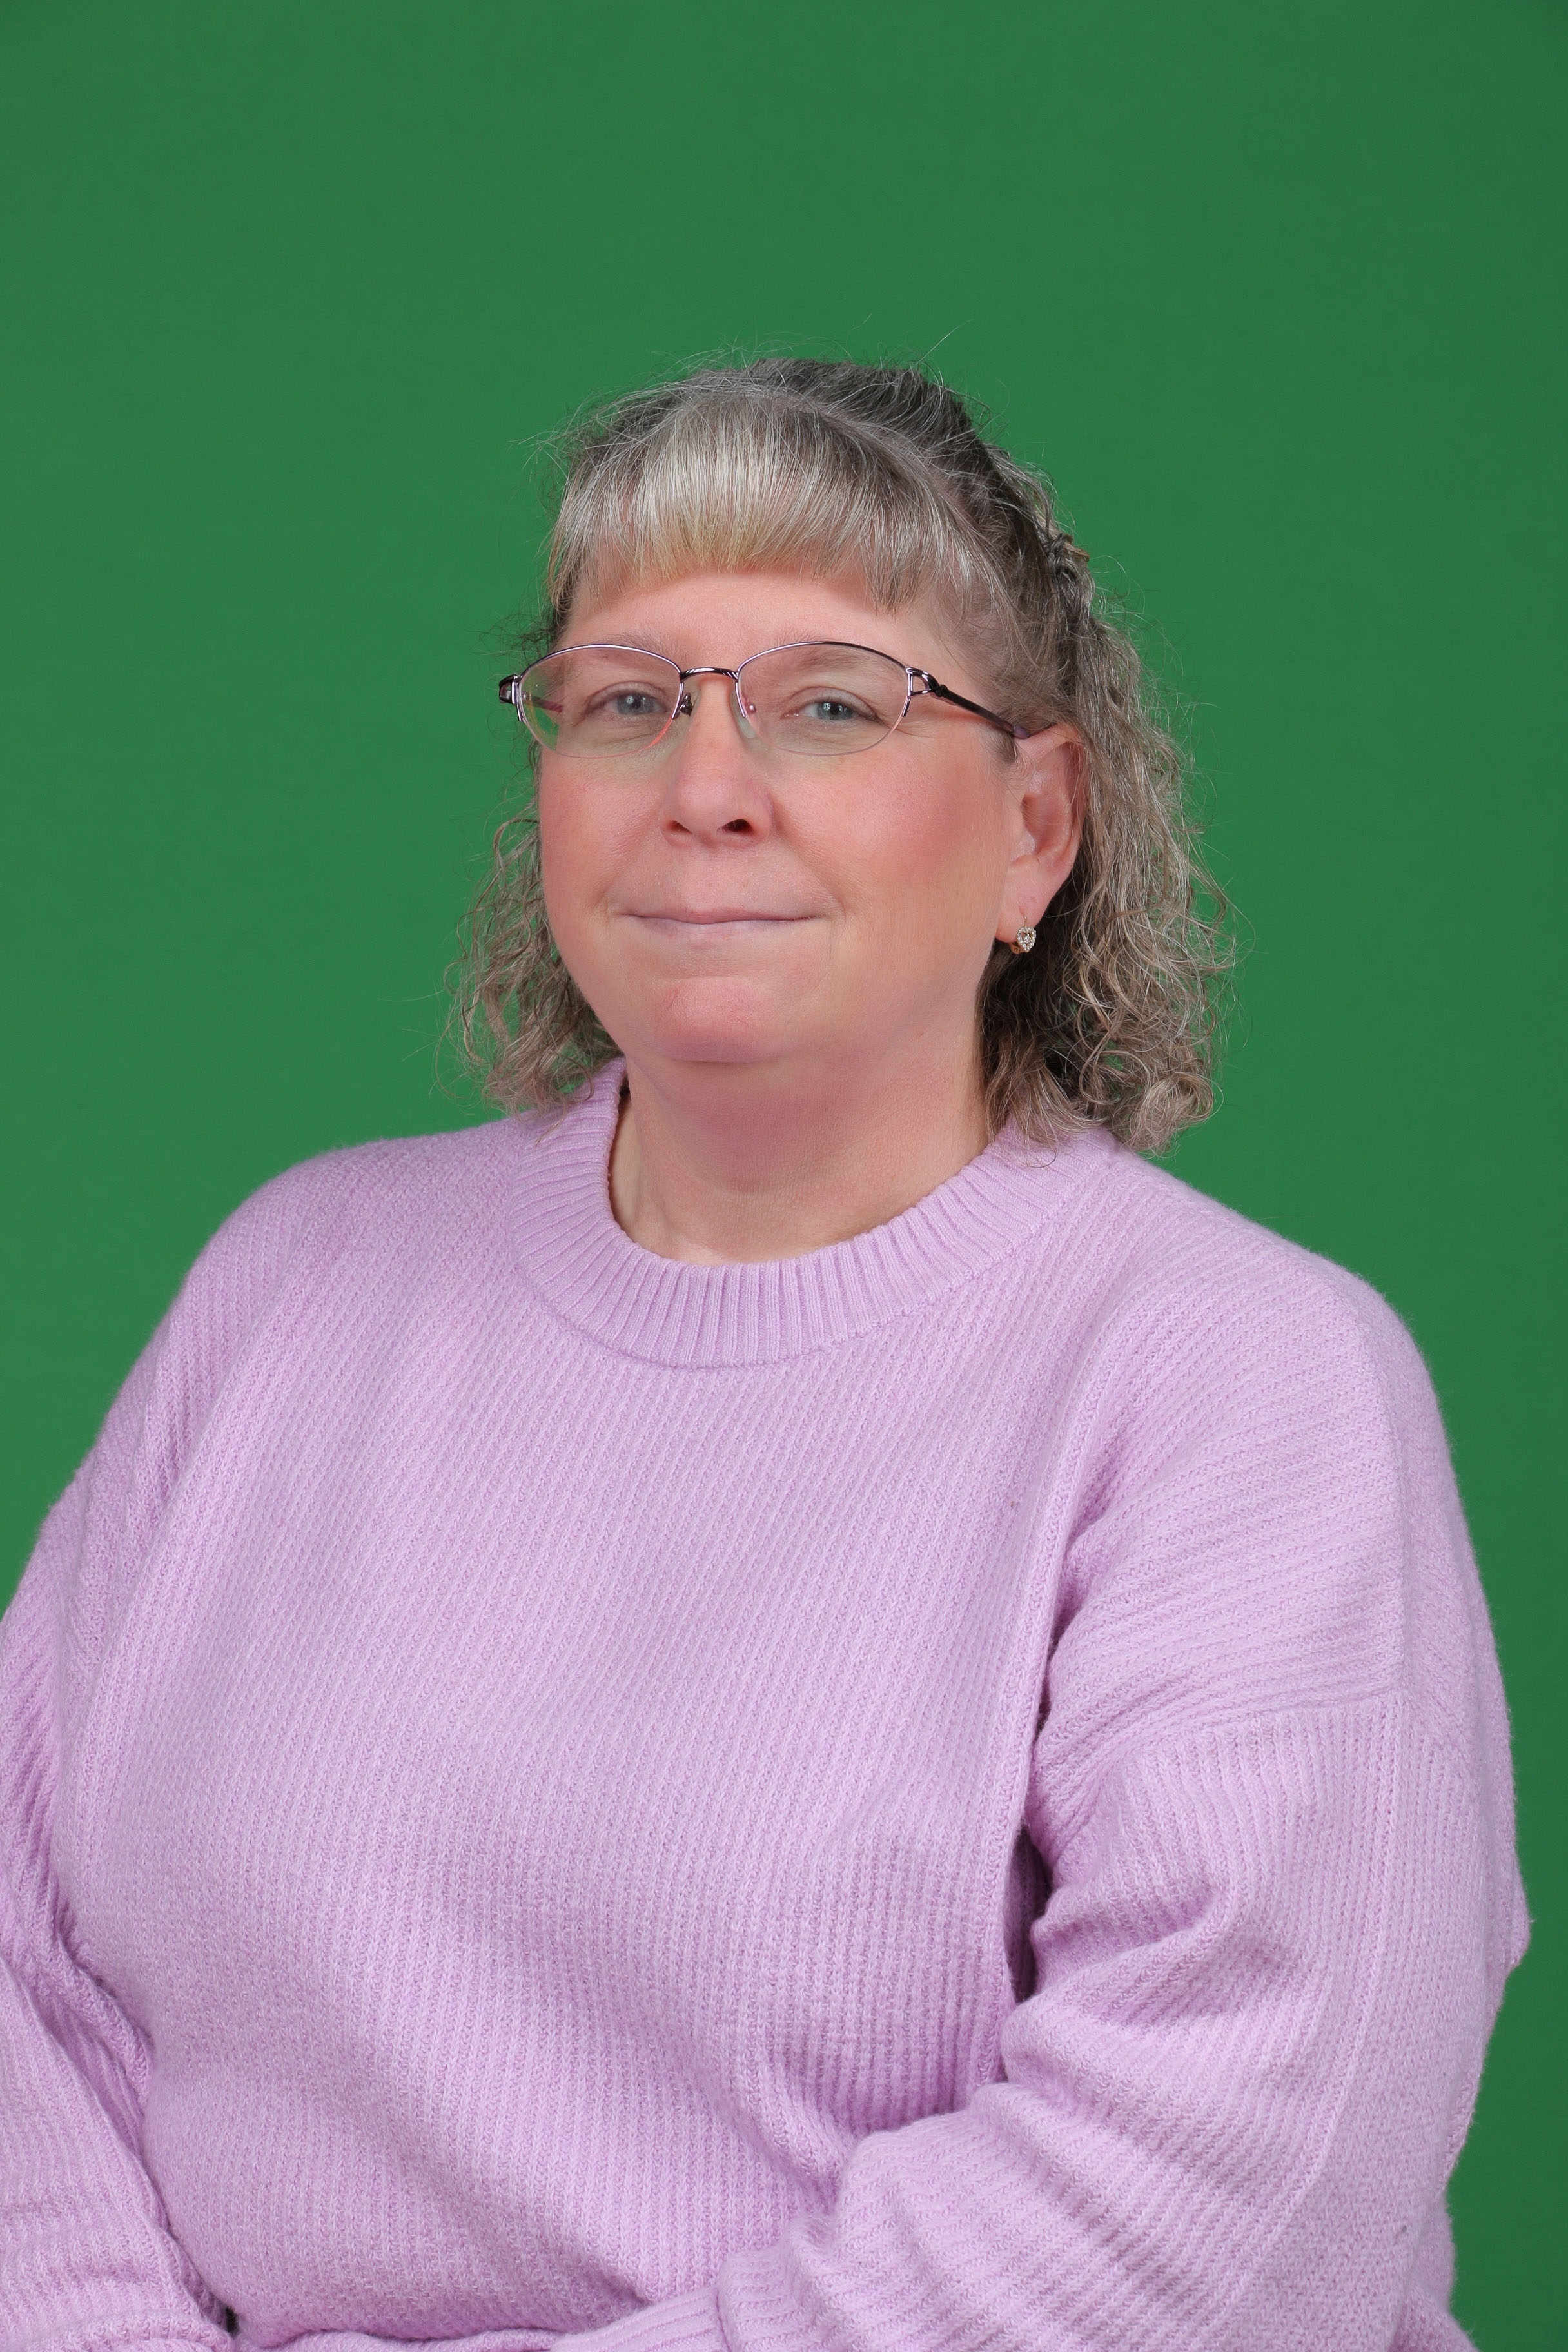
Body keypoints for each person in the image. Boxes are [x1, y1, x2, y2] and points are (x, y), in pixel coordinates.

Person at [0, 358, 1525, 2352]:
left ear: (1035, 828)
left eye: (831, 706)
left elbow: (1215, 2220)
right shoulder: (290, 1287)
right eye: (628, 700)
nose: (706, 785)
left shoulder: (1240, 1389)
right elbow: (19, 1972)